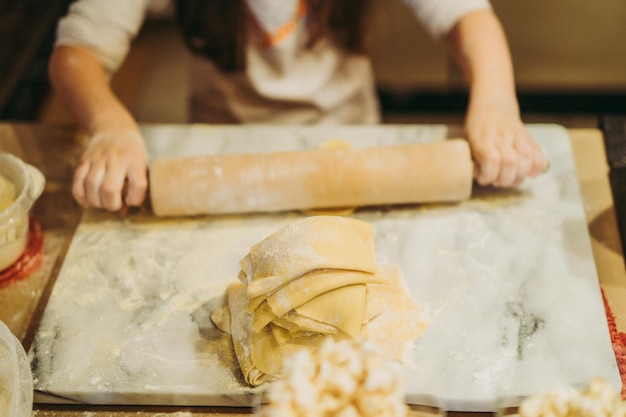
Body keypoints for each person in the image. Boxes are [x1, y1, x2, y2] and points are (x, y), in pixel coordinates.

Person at [48, 0, 547, 212]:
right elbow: (77, 52)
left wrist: (497, 100)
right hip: (220, 155)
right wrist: (109, 124)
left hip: (352, 144)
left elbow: (467, 16)